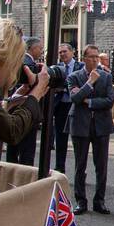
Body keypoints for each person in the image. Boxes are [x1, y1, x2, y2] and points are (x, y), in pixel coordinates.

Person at [0, 19, 50, 164]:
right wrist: (36, 93)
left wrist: (13, 101)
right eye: (15, 63)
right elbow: (11, 131)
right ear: (5, 59)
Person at [66, 44, 114, 214]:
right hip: (80, 124)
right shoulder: (73, 77)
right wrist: (89, 83)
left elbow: (109, 100)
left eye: (97, 57)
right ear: (84, 58)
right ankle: (81, 201)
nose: (95, 60)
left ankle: (99, 201)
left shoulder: (107, 77)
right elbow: (75, 98)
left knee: (101, 165)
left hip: (101, 124)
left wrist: (90, 102)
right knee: (80, 165)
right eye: (91, 57)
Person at [8, 36, 47, 165]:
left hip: (12, 108)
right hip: (26, 110)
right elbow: (30, 86)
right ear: (33, 48)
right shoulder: (28, 65)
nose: (41, 51)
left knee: (13, 150)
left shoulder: (19, 61)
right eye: (40, 48)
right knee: (27, 151)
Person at [48, 42, 79, 173]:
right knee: (60, 139)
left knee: (78, 140)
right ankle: (60, 167)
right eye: (60, 52)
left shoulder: (80, 67)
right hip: (61, 106)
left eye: (65, 51)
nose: (62, 54)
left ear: (72, 52)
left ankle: (80, 169)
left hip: (75, 106)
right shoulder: (57, 68)